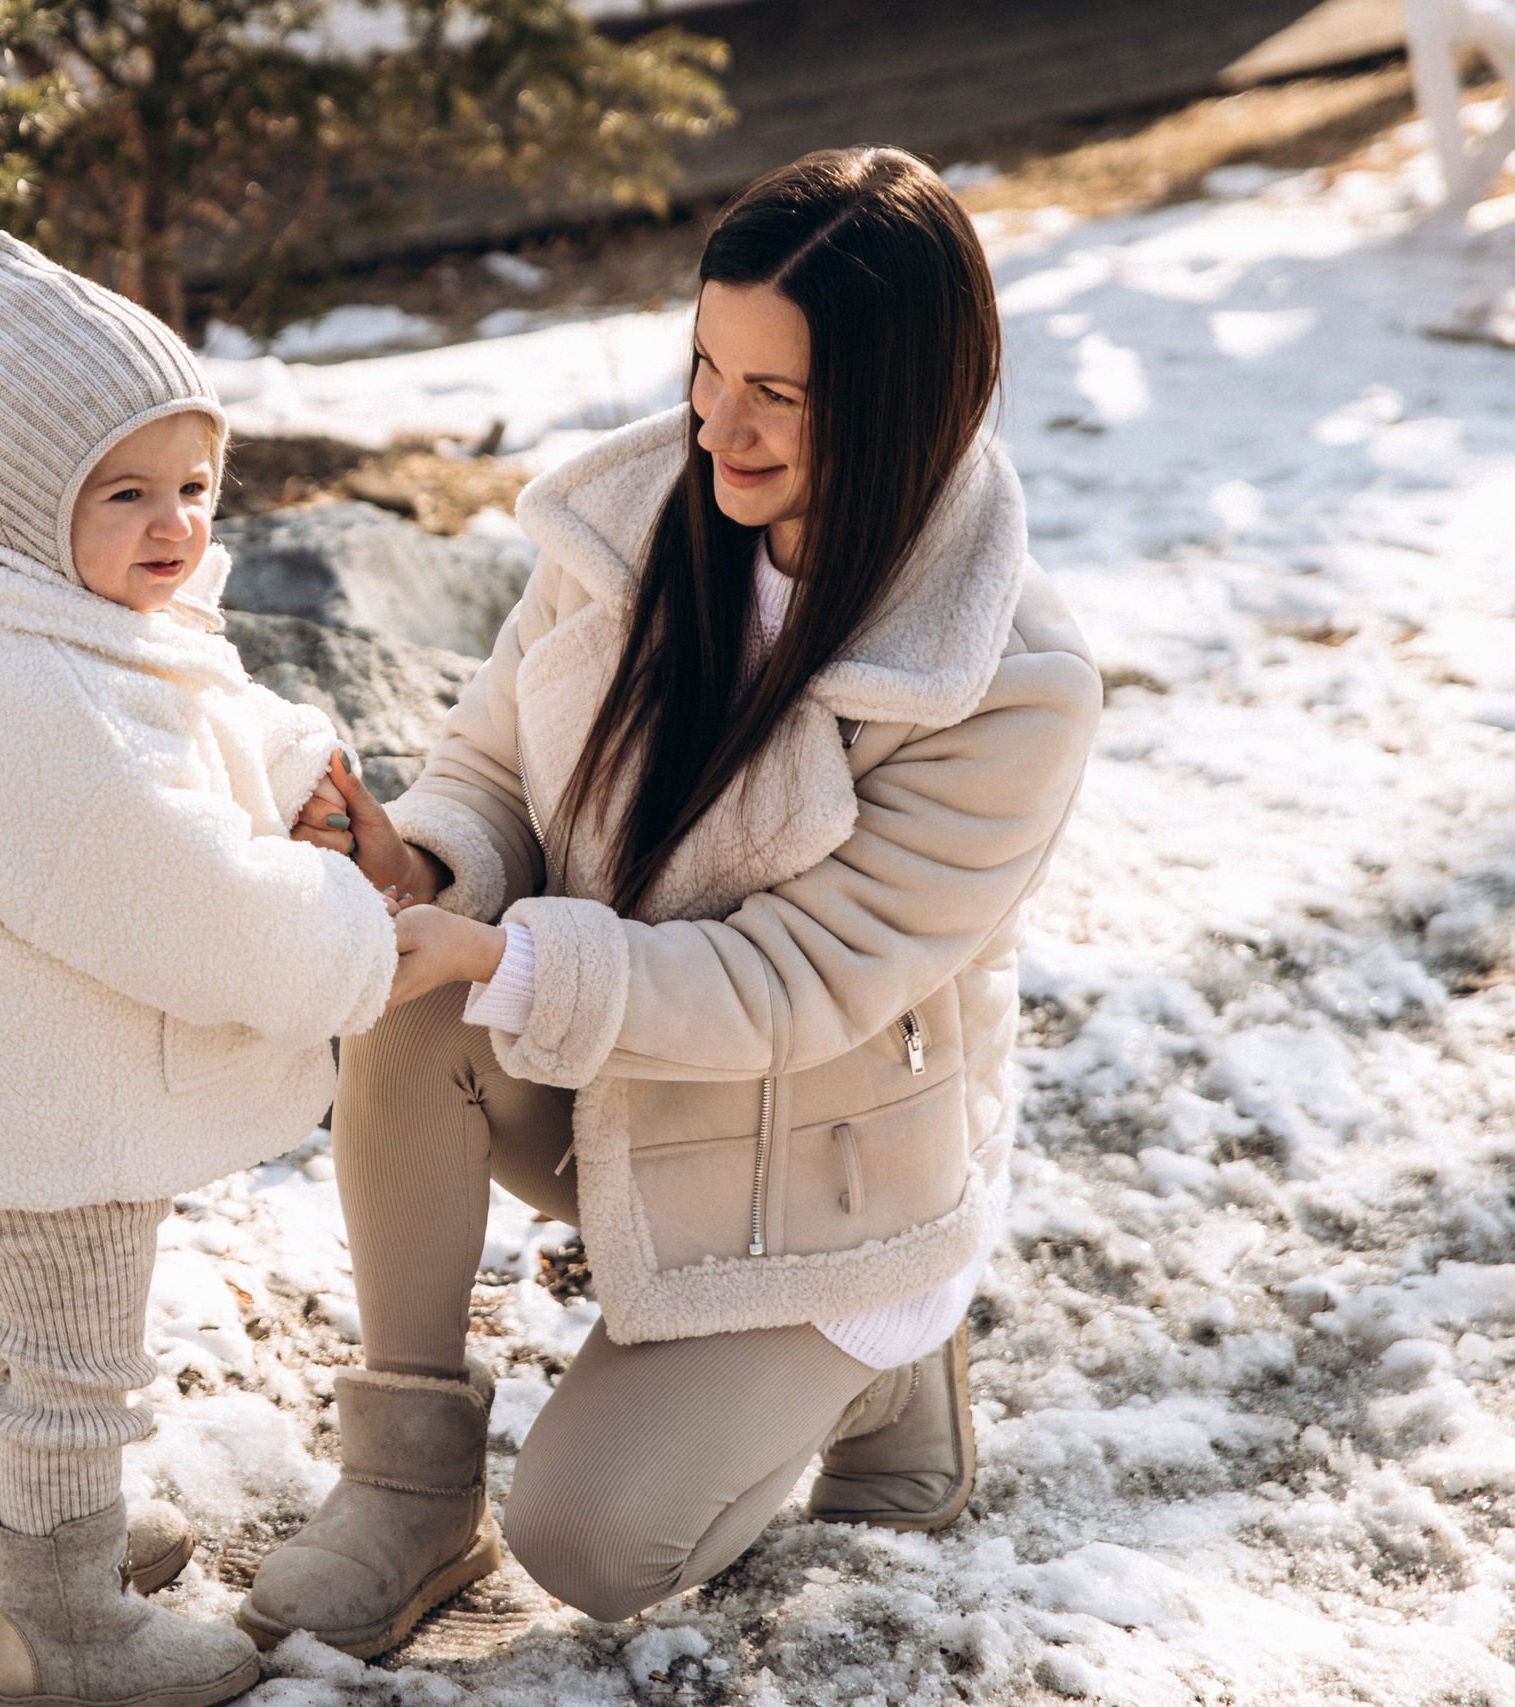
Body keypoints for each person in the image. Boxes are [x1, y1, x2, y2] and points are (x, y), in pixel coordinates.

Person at [241, 146, 1102, 1654]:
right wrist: (424, 871)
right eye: (709, 364)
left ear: (908, 402)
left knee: (591, 1542)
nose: (719, 420)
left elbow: (799, 986)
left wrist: (510, 962)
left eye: (780, 392)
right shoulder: (631, 522)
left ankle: (888, 1359)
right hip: (626, 1074)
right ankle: (408, 1493)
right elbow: (493, 761)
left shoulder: (1004, 682)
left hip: (830, 1161)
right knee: (402, 1004)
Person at [0, 232, 404, 1707]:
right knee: (76, 1361)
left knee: (7, 1326)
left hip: (8, 1074)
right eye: (127, 494)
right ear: (37, 504)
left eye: (194, 487)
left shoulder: (50, 616)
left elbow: (195, 725)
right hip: (47, 1104)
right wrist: (357, 934)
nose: (174, 527)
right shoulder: (48, 714)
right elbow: (195, 896)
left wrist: (286, 762)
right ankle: (63, 1623)